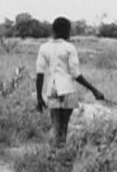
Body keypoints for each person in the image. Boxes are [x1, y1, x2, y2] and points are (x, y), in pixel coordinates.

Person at [35, 17, 105, 145]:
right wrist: (94, 90)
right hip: (68, 89)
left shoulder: (43, 48)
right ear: (66, 31)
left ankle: (54, 151)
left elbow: (39, 73)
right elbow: (76, 74)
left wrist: (39, 97)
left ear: (53, 30)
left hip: (52, 89)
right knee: (64, 124)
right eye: (69, 30)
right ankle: (61, 148)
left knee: (55, 123)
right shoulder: (70, 48)